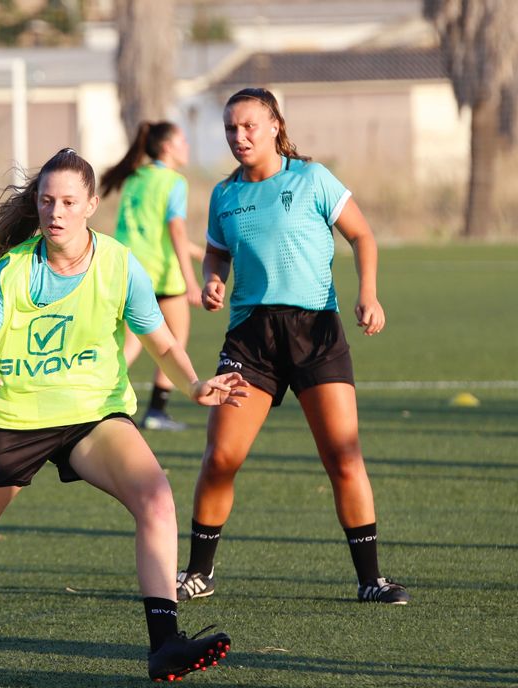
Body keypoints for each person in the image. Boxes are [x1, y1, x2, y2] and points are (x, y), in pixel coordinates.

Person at [0, 148, 249, 682]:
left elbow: (161, 344)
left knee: (155, 498)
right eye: (46, 200)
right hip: (15, 417)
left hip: (92, 414)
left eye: (67, 201)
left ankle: (164, 644)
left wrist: (197, 384)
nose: (55, 211)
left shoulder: (117, 262)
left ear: (90, 204)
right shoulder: (17, 269)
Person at [175, 88, 410, 605]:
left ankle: (371, 579)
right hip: (251, 337)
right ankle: (199, 573)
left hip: (315, 332)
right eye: (231, 129)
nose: (239, 137)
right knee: (220, 458)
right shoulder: (224, 195)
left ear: (276, 125)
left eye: (249, 126)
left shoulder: (312, 179)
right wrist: (213, 280)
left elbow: (362, 236)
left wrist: (367, 293)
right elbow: (216, 255)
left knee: (343, 458)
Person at [100, 121, 203, 431]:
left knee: (131, 344)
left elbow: (149, 229)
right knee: (174, 341)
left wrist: (200, 253)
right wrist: (191, 281)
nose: (187, 146)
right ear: (168, 147)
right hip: (161, 274)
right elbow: (175, 229)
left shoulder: (135, 177)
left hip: (127, 269)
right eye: (183, 140)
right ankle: (157, 412)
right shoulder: (174, 182)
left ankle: (97, 397)